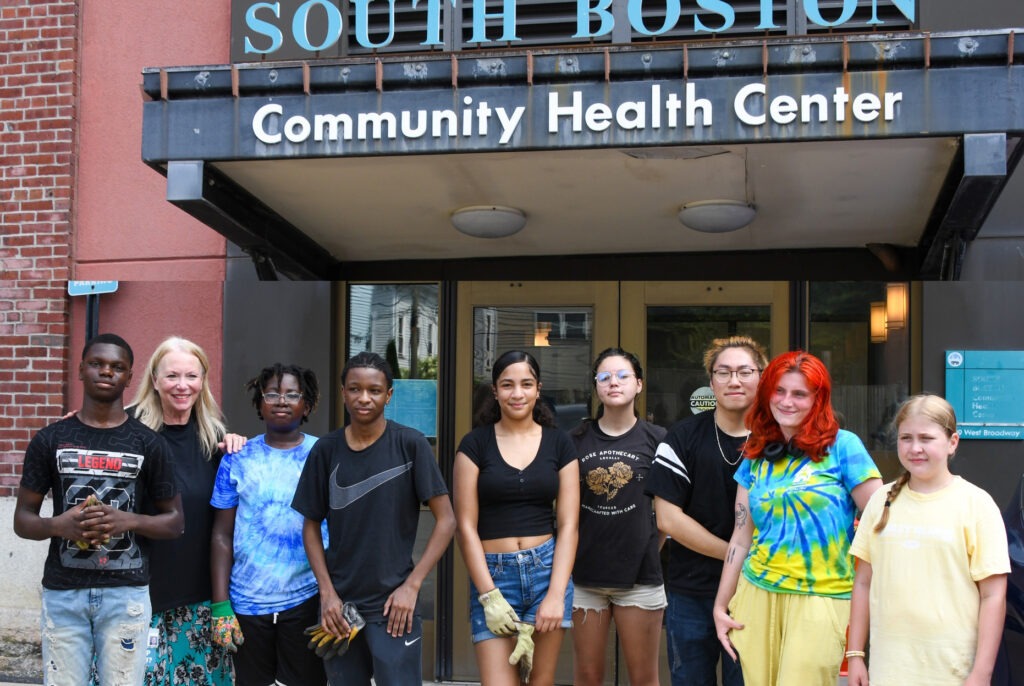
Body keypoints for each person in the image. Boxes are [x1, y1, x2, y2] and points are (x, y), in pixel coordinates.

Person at [13, 333, 183, 686]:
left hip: (127, 594)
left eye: (117, 367)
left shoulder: (149, 443)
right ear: (80, 370)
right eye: (97, 364)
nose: (106, 372)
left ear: (129, 377)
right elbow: (22, 521)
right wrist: (60, 526)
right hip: (64, 593)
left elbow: (175, 523)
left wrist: (129, 520)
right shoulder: (50, 439)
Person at [712, 350, 882, 686]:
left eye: (799, 393)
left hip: (822, 597)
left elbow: (881, 525)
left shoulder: (844, 447)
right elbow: (741, 537)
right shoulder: (758, 453)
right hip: (756, 595)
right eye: (779, 391)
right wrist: (721, 606)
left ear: (818, 400)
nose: (787, 401)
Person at [291, 352, 455, 686]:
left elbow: (447, 520)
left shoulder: (410, 444)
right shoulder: (326, 450)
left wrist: (412, 586)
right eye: (355, 389)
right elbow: (309, 524)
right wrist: (327, 594)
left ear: (389, 395)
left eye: (374, 390)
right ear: (343, 392)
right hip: (340, 607)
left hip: (394, 605)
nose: (364, 398)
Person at [847, 394, 1010, 686]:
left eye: (926, 438)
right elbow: (863, 582)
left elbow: (993, 596)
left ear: (952, 442)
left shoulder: (977, 504)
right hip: (889, 669)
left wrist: (982, 673)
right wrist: (856, 653)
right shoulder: (879, 501)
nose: (915, 448)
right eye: (906, 438)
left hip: (954, 670)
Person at [646, 335, 768, 686]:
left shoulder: (776, 441)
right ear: (711, 381)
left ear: (761, 377)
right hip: (691, 591)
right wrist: (735, 556)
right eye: (723, 372)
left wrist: (744, 564)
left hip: (758, 589)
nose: (734, 380)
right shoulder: (682, 438)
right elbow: (668, 519)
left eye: (745, 371)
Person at [454, 350, 579, 686]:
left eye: (526, 384)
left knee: (540, 681)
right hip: (494, 577)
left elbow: (568, 526)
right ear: (495, 391)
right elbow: (465, 526)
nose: (517, 393)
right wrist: (489, 595)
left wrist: (556, 593)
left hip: (546, 574)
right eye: (507, 385)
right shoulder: (474, 444)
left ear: (538, 389)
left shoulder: (560, 444)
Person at [130, 336, 243, 686]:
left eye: (191, 376)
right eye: (172, 376)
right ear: (154, 379)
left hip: (199, 599)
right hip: (137, 596)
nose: (182, 386)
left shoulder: (217, 438)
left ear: (203, 381)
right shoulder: (127, 432)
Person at [209, 363, 327, 685]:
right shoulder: (237, 456)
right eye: (272, 393)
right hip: (247, 601)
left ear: (308, 404)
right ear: (259, 403)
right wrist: (220, 605)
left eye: (292, 394)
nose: (281, 401)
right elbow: (221, 534)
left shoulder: (324, 454)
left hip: (308, 598)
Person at [570, 347, 666, 686]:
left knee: (644, 678)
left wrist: (651, 544)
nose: (614, 382)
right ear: (596, 387)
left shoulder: (658, 440)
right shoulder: (575, 440)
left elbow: (668, 511)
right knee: (587, 677)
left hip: (640, 579)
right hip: (584, 577)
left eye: (623, 376)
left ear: (638, 384)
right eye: (604, 377)